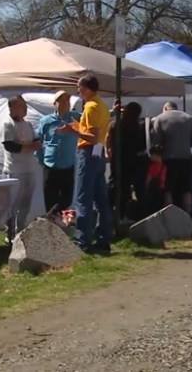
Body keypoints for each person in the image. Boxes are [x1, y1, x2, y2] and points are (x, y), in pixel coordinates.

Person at [56, 74, 112, 254]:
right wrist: (79, 126)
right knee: (101, 199)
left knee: (83, 199)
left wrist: (73, 129)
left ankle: (83, 241)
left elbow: (93, 136)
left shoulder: (91, 107)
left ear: (87, 88)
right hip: (98, 153)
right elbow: (96, 134)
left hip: (88, 153)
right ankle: (104, 238)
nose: (78, 91)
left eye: (79, 88)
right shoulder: (101, 105)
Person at [151, 101, 192, 214]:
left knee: (168, 190)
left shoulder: (160, 119)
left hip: (168, 160)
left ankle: (170, 216)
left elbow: (155, 143)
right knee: (186, 189)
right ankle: (187, 215)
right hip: (185, 159)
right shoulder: (189, 118)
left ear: (165, 108)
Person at [1, 95, 42, 245]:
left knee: (26, 203)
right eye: (21, 106)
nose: (24, 109)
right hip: (15, 169)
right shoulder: (8, 124)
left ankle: (21, 231)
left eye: (25, 106)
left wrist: (36, 143)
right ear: (12, 108)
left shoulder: (28, 124)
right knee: (13, 204)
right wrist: (31, 147)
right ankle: (9, 233)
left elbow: (36, 138)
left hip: (29, 168)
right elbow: (10, 146)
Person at [36, 90, 81, 213]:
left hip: (67, 165)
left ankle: (58, 218)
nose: (64, 103)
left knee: (66, 199)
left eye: (67, 100)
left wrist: (114, 112)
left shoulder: (75, 117)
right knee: (49, 198)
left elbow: (93, 118)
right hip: (50, 165)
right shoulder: (46, 121)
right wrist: (40, 158)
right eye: (61, 101)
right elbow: (38, 140)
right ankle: (51, 223)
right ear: (54, 103)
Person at [106, 101, 146, 224]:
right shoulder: (138, 128)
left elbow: (108, 139)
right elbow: (141, 147)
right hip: (132, 161)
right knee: (126, 189)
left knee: (115, 185)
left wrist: (108, 151)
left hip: (117, 160)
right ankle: (123, 214)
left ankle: (109, 212)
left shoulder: (115, 125)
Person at [143, 145, 166, 216]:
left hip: (154, 190)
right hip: (162, 188)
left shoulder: (152, 166)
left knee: (153, 206)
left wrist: (146, 187)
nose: (151, 157)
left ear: (155, 155)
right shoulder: (164, 166)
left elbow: (149, 178)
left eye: (152, 155)